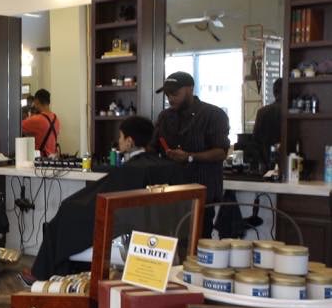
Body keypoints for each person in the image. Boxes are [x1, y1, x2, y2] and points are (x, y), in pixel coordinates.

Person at [30, 115, 177, 280]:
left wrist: (68, 206)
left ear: (130, 141)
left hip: (121, 232)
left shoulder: (130, 170)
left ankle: (43, 275)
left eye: (121, 137)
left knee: (64, 216)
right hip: (157, 233)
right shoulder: (161, 165)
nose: (119, 141)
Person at [153, 71, 230, 237]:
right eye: (167, 95)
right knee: (170, 243)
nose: (170, 98)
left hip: (201, 193)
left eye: (175, 93)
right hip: (171, 193)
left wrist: (190, 156)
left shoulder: (213, 115)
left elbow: (221, 152)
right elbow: (153, 147)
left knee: (197, 242)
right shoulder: (165, 117)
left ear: (190, 89)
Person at [253, 77, 282, 170]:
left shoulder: (262, 112)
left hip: (266, 162)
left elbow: (255, 140)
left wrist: (261, 162)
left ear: (274, 92)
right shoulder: (292, 112)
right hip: (289, 162)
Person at [22, 89, 61, 156]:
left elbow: (16, 126)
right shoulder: (56, 119)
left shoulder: (37, 119)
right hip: (53, 158)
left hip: (40, 159)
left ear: (36, 101)